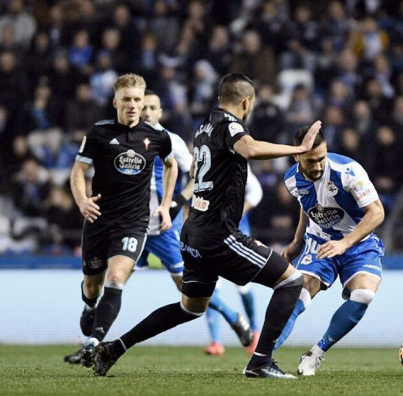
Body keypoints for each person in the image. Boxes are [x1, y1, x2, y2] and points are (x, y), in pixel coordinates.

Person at [93, 73, 322, 379]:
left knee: (190, 307)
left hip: (193, 232)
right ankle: (260, 362)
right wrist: (298, 150)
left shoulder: (204, 126)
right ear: (247, 102)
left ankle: (114, 348)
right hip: (220, 234)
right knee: (291, 282)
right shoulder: (231, 125)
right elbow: (250, 149)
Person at [64, 73, 178, 366]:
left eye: (137, 100)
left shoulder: (157, 136)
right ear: (115, 102)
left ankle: (94, 342)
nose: (132, 105)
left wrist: (165, 205)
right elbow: (77, 171)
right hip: (99, 219)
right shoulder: (99, 132)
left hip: (133, 222)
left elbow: (171, 165)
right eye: (126, 99)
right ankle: (90, 307)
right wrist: (82, 201)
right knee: (92, 288)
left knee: (117, 278)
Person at [135, 90, 253, 349]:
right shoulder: (121, 140)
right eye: (142, 107)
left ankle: (233, 318)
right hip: (131, 225)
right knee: (112, 278)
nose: (146, 112)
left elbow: (197, 174)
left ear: (160, 112)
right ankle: (92, 340)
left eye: (152, 107)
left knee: (188, 290)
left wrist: (177, 202)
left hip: (164, 227)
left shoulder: (171, 141)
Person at [273, 126, 386, 376]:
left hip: (358, 241)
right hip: (320, 240)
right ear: (297, 156)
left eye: (321, 159)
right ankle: (263, 358)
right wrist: (297, 241)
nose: (317, 166)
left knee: (364, 295)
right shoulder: (291, 179)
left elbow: (377, 212)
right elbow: (307, 205)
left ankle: (316, 353)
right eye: (310, 161)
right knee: (299, 294)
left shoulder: (348, 172)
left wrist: (345, 244)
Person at [205, 165, 263, 356]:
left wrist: (239, 210)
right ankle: (215, 342)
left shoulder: (238, 163)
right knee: (210, 283)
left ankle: (255, 334)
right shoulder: (204, 162)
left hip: (237, 231)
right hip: (210, 231)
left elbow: (256, 191)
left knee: (242, 283)